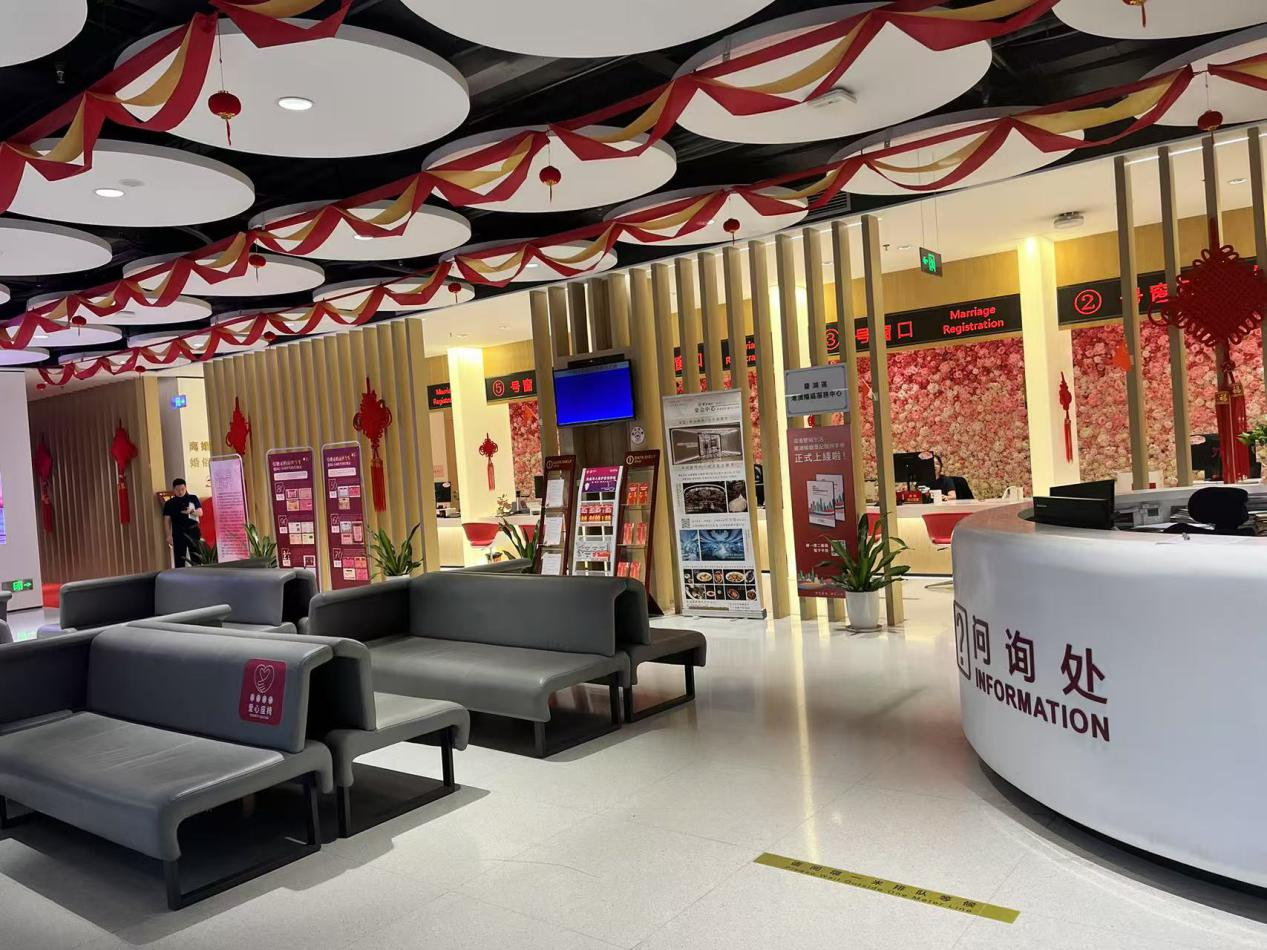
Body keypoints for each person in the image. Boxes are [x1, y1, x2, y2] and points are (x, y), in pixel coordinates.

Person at [162, 478, 203, 567]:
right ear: (173, 489)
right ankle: (180, 574)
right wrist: (168, 536)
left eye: (182, 489)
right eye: (177, 490)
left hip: (193, 531)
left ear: (186, 488)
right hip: (178, 532)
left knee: (196, 556)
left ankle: (198, 573)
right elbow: (166, 520)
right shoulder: (169, 503)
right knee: (179, 558)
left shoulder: (193, 498)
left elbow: (200, 513)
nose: (180, 492)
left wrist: (191, 511)